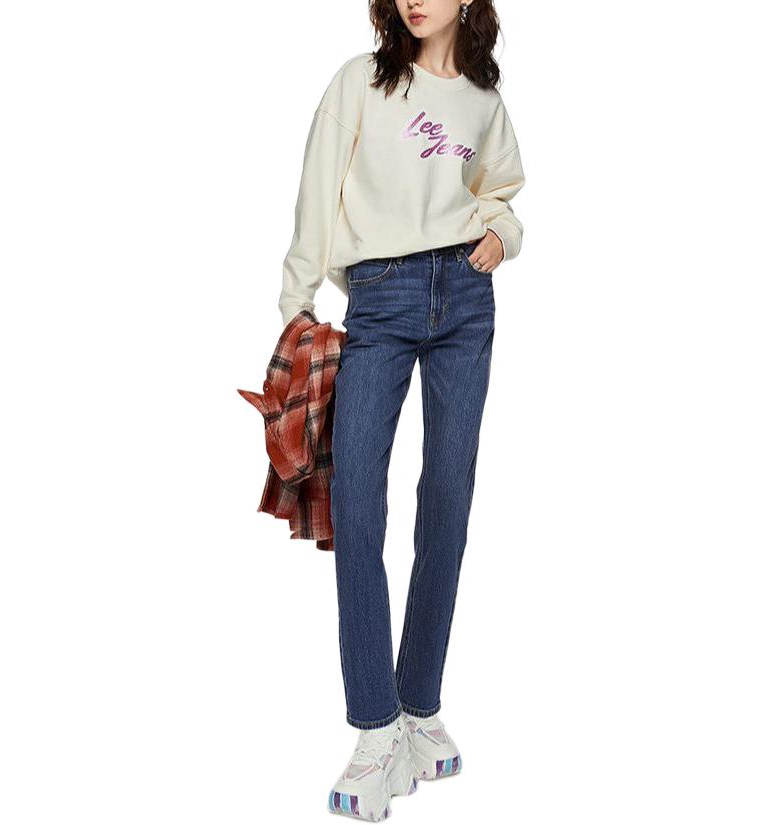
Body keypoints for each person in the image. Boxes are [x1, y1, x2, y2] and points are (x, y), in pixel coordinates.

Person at [278, 1, 525, 820]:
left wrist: (503, 233)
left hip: (466, 296)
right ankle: (375, 725)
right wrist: (296, 302)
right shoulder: (360, 82)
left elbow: (500, 191)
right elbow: (317, 188)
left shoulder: (482, 99)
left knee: (447, 501)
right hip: (379, 296)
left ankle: (418, 706)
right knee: (355, 501)